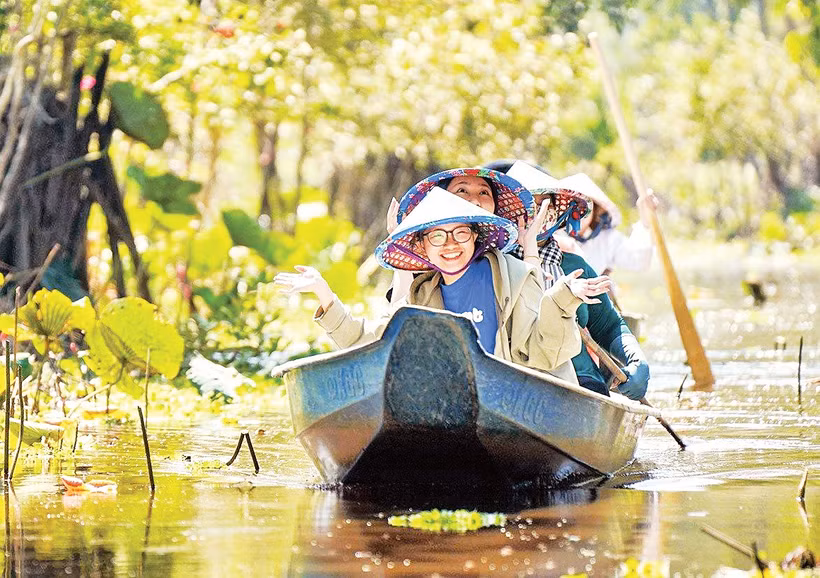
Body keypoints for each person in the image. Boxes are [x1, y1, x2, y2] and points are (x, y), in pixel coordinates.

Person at [275, 185, 612, 378]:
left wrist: (564, 297)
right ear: (421, 246)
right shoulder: (420, 295)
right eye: (437, 237)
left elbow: (544, 351)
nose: (451, 245)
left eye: (460, 233)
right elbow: (370, 345)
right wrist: (324, 293)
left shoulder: (516, 275)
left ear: (476, 237)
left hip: (517, 400)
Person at [483, 159, 651, 400]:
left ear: (560, 212)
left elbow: (609, 326)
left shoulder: (574, 266)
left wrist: (636, 358)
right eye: (528, 204)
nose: (539, 213)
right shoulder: (489, 264)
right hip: (510, 379)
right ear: (508, 211)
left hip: (581, 383)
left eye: (545, 205)